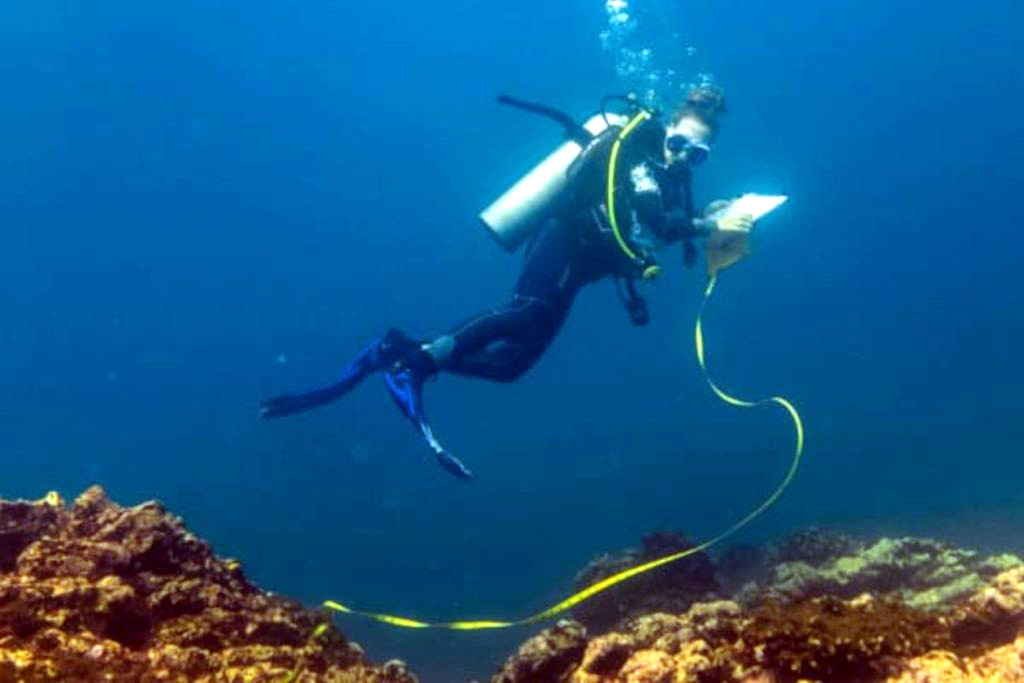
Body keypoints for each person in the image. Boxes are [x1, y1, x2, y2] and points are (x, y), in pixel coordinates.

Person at [260, 85, 752, 480]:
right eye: (679, 143)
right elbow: (659, 223)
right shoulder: (640, 160)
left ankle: (397, 350)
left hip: (583, 267)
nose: (685, 156)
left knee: (511, 367)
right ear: (667, 131)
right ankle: (420, 362)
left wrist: (706, 216)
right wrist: (713, 224)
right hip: (563, 240)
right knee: (527, 311)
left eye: (698, 153)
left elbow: (660, 230)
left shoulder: (673, 176)